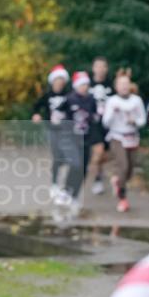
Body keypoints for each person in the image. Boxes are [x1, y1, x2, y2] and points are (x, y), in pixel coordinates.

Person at [103, 69, 146, 213]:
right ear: (116, 87)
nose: (124, 87)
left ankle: (117, 181)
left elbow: (143, 120)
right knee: (122, 166)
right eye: (121, 84)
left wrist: (135, 121)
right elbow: (105, 122)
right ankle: (123, 199)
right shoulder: (112, 101)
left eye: (126, 84)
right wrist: (112, 112)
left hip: (132, 136)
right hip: (117, 137)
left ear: (130, 85)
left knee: (129, 170)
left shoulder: (136, 100)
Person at [58, 71, 99, 218]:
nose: (84, 87)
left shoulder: (91, 99)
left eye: (86, 85)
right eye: (82, 85)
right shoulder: (69, 99)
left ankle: (74, 196)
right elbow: (58, 114)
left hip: (86, 138)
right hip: (71, 138)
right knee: (75, 164)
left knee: (83, 169)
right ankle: (65, 190)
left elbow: (95, 117)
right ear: (76, 86)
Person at [32, 63, 71, 200]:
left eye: (61, 81)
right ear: (53, 81)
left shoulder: (68, 95)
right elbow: (36, 106)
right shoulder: (47, 95)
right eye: (57, 80)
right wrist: (36, 114)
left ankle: (64, 186)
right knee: (57, 156)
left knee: (66, 158)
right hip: (52, 129)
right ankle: (54, 185)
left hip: (66, 130)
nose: (59, 83)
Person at [88, 56, 114, 195]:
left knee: (105, 155)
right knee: (98, 151)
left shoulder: (111, 85)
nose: (100, 69)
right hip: (92, 124)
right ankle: (97, 179)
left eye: (103, 66)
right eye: (97, 66)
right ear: (93, 68)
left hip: (108, 124)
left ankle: (97, 171)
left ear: (106, 68)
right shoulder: (87, 84)